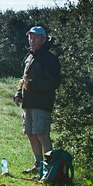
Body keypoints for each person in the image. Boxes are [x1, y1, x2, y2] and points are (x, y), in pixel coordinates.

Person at [13, 25, 62, 175]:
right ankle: (38, 165)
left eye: (35, 38)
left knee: (42, 134)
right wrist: (19, 92)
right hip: (28, 103)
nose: (31, 40)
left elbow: (54, 83)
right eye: (30, 37)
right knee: (30, 133)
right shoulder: (30, 56)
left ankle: (50, 169)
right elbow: (24, 79)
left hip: (42, 103)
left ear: (43, 39)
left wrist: (32, 85)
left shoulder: (50, 59)